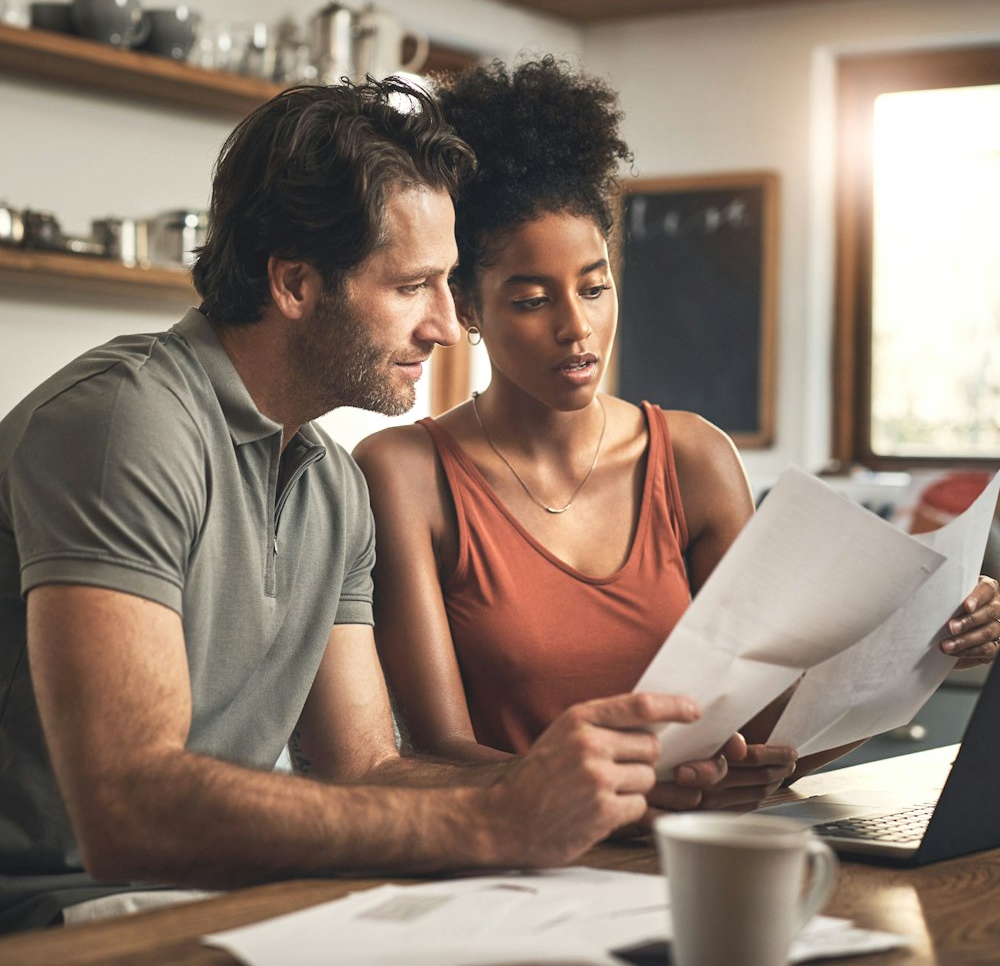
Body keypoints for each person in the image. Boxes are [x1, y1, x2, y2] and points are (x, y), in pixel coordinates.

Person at [0, 78, 732, 933]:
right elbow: (129, 809)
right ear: (297, 283)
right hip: (52, 916)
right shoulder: (127, 423)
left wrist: (596, 784)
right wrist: (497, 819)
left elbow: (364, 770)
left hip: (208, 903)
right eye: (413, 285)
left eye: (449, 283)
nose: (447, 327)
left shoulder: (330, 482)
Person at [354, 58, 1000, 812]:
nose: (578, 328)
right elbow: (437, 752)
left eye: (596, 287)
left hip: (692, 859)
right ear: (465, 307)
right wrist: (626, 795)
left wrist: (929, 642)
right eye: (532, 300)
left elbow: (768, 731)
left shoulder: (692, 458)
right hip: (515, 871)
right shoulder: (405, 473)